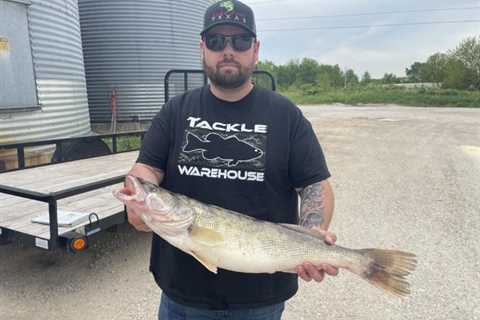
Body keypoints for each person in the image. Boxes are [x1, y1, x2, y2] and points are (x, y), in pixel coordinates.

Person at [124, 0, 338, 319]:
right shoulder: (175, 111)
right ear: (202, 48)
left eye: (239, 41)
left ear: (255, 49)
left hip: (261, 300)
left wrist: (312, 236)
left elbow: (314, 185)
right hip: (183, 297)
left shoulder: (285, 115)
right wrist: (140, 195)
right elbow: (147, 169)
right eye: (216, 41)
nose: (228, 50)